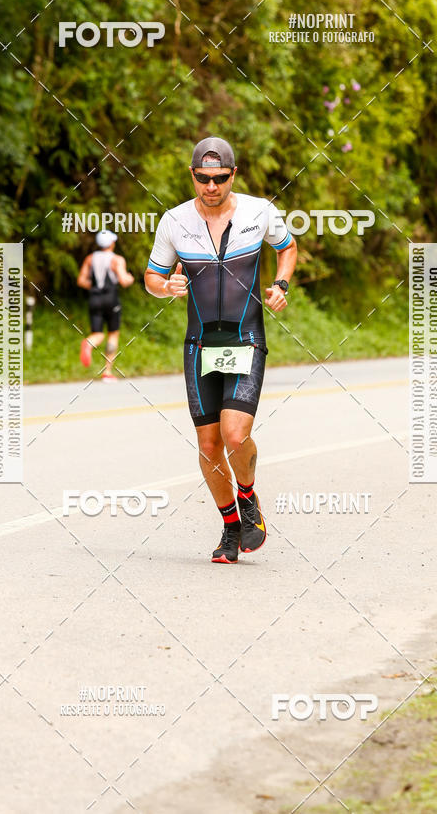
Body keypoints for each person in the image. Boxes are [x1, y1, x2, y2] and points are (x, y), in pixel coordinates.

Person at [144, 137, 297, 563]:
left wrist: (281, 283)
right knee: (209, 446)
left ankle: (247, 495)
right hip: (200, 345)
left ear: (234, 174)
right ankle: (231, 526)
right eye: (202, 178)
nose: (211, 186)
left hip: (246, 337)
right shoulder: (174, 221)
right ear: (192, 175)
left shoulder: (260, 211)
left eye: (219, 178)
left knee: (235, 434)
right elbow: (151, 278)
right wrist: (165, 286)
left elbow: (287, 248)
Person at [77, 230, 134, 381]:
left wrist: (95, 287)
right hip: (111, 299)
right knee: (113, 334)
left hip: (94, 299)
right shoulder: (117, 260)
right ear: (111, 244)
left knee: (98, 333)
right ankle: (107, 372)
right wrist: (130, 278)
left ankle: (88, 344)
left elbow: (81, 280)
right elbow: (123, 280)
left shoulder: (90, 258)